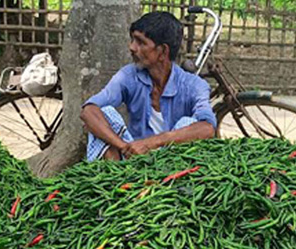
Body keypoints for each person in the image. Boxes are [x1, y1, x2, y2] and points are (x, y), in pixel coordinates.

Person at [81, 11, 216, 161]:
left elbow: (207, 128)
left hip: (171, 162)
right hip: (131, 158)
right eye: (132, 40)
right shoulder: (128, 76)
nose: (132, 47)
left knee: (189, 123)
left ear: (163, 51)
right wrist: (124, 146)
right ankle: (115, 176)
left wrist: (150, 143)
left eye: (140, 42)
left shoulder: (194, 85)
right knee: (104, 113)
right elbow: (89, 111)